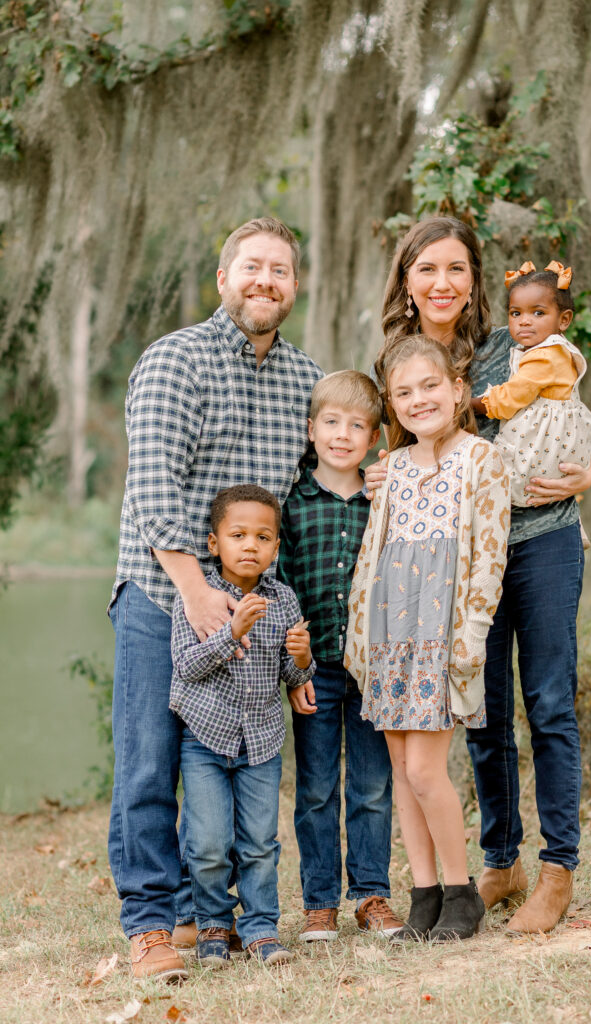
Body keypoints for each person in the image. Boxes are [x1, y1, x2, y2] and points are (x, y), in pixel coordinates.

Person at [367, 216, 591, 936]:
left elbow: (574, 409)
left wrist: (590, 468)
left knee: (548, 701)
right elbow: (385, 459)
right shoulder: (396, 365)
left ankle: (556, 868)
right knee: (481, 709)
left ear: (473, 282)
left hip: (540, 541)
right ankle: (499, 863)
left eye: (456, 269)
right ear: (406, 280)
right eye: (427, 268)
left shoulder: (514, 346)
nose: (442, 283)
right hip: (455, 565)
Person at [108, 217, 323, 980]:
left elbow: (326, 466)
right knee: (147, 766)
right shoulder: (175, 360)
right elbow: (153, 486)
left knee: (236, 761)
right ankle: (150, 927)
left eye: (281, 271)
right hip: (161, 593)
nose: (266, 281)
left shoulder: (304, 379)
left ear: (294, 285)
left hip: (255, 608)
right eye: (252, 267)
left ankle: (222, 919)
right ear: (224, 275)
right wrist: (196, 591)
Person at [346, 335, 510, 942]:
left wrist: (471, 634)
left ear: (458, 389)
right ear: (392, 404)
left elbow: (489, 557)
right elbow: (375, 556)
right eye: (404, 392)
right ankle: (424, 895)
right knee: (398, 764)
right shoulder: (389, 470)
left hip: (441, 633)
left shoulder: (480, 461)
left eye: (430, 386)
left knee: (424, 768)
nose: (419, 400)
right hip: (390, 628)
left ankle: (463, 893)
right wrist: (361, 635)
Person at [277, 371, 404, 941]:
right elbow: (280, 590)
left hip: (374, 668)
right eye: (331, 422)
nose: (342, 434)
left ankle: (372, 894)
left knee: (373, 786)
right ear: (311, 430)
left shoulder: (386, 499)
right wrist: (295, 669)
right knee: (317, 787)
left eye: (356, 425)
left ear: (375, 437)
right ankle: (319, 901)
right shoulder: (293, 503)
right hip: (318, 671)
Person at [170, 485, 314, 968]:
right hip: (205, 740)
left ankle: (260, 929)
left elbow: (293, 676)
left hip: (262, 742)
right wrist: (233, 632)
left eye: (263, 537)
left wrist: (302, 657)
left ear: (276, 546)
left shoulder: (284, 599)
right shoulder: (197, 600)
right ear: (215, 544)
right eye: (238, 535)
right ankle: (213, 924)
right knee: (208, 841)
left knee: (259, 842)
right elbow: (187, 666)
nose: (250, 545)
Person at [483, 260, 591, 508]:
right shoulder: (550, 351)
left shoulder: (545, 356)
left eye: (538, 313)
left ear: (564, 320)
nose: (524, 321)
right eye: (516, 313)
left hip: (538, 449)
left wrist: (470, 403)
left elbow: (508, 400)